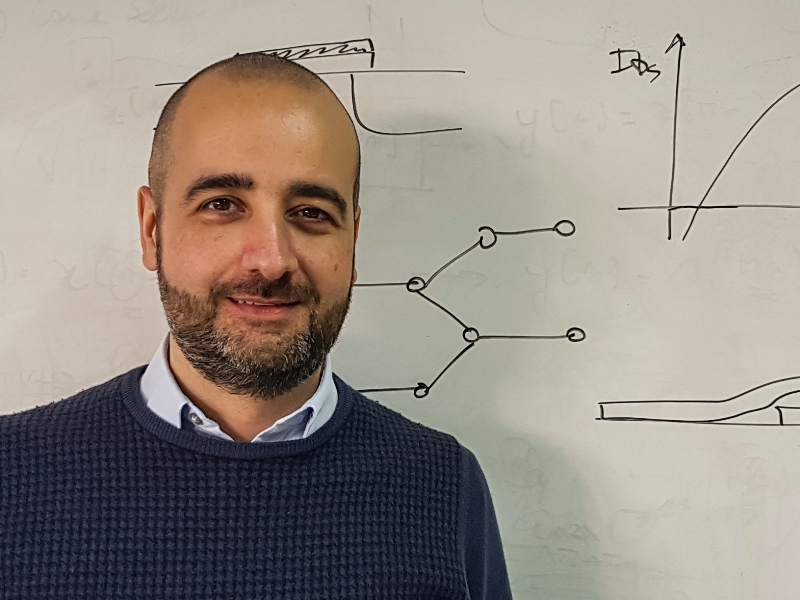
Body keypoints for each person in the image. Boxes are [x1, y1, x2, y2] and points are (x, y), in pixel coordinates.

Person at [0, 53, 512, 599]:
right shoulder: (12, 474)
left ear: (352, 239)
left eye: (311, 212)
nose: (271, 260)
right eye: (222, 204)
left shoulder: (443, 485)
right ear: (152, 230)